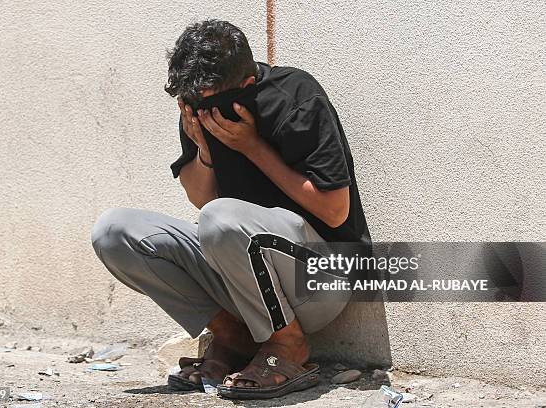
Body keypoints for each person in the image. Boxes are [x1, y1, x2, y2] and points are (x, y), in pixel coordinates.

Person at [91, 19, 370, 399]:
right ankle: (234, 337)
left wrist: (253, 147)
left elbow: (335, 211)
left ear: (247, 86)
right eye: (192, 101)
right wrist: (205, 151)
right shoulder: (202, 107)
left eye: (209, 100)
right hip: (244, 279)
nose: (200, 109)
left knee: (219, 218)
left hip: (320, 281)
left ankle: (288, 345)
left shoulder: (296, 95)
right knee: (114, 231)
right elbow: (203, 201)